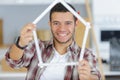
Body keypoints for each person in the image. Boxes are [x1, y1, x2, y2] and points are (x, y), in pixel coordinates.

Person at [5, 2, 101, 80]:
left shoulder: (85, 55)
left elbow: (95, 76)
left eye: (68, 23)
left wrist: (88, 77)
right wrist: (21, 43)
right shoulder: (37, 47)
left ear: (76, 23)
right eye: (56, 23)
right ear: (50, 24)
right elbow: (13, 62)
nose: (62, 29)